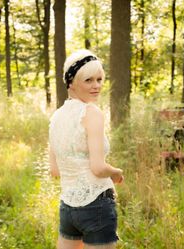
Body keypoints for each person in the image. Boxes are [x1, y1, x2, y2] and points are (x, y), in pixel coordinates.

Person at [49, 49, 124, 249]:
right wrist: (116, 173)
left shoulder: (56, 117)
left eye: (99, 79)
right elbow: (98, 168)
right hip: (97, 204)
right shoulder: (92, 113)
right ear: (71, 82)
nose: (96, 86)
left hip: (68, 208)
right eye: (88, 80)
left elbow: (55, 171)